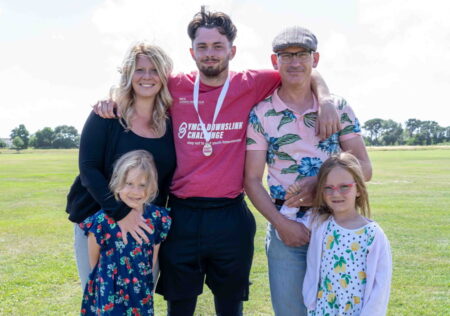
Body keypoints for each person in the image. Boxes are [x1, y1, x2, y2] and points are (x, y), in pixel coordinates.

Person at [94, 8, 340, 316]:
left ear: (232, 50)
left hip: (230, 217)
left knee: (230, 308)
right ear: (192, 51)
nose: (210, 54)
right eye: (202, 47)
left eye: (217, 47)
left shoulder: (252, 82)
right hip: (181, 216)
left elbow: (301, 67)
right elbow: (141, 82)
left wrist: (327, 98)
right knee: (179, 307)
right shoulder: (175, 85)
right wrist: (111, 99)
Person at [244, 26, 372, 315]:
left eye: (302, 54)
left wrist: (321, 183)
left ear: (315, 59)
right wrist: (281, 224)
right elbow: (251, 180)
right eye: (285, 55)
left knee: (341, 309)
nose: (294, 62)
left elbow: (365, 168)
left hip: (338, 226)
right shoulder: (262, 113)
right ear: (274, 61)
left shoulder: (337, 107)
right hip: (289, 230)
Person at [66, 41, 176, 290]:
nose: (147, 76)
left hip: (144, 228)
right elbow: (88, 170)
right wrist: (121, 214)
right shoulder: (106, 116)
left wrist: (148, 222)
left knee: (138, 301)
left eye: (154, 70)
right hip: (98, 222)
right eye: (140, 69)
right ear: (128, 74)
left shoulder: (169, 123)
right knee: (100, 300)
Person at [79, 150, 172, 315]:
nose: (136, 192)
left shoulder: (158, 218)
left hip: (140, 290)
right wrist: (106, 282)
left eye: (142, 185)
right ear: (118, 182)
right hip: (109, 290)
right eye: (129, 184)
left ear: (151, 188)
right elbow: (94, 261)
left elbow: (153, 258)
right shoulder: (102, 220)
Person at [299, 152, 392, 315]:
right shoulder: (319, 223)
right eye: (328, 188)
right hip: (323, 310)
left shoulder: (372, 234)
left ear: (358, 189)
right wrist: (293, 200)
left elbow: (381, 283)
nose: (336, 193)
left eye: (344, 187)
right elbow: (286, 225)